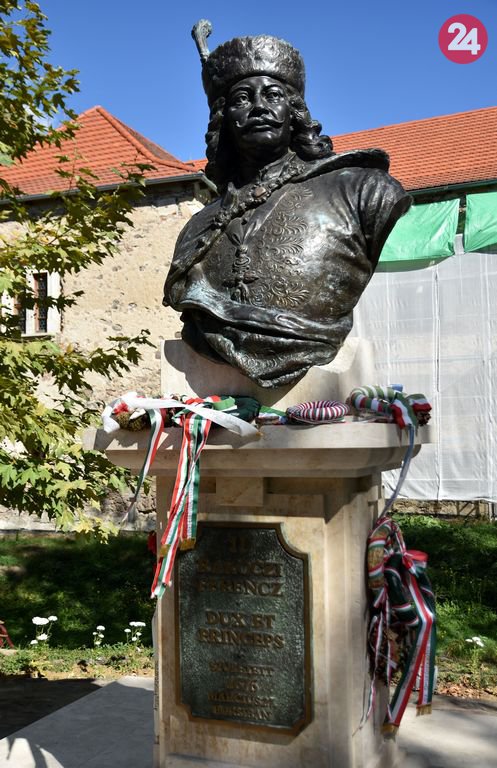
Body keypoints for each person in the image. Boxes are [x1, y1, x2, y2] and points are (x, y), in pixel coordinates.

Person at [164, 21, 411, 388]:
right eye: (241, 98)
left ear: (295, 111)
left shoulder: (364, 190)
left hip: (318, 364)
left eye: (273, 95)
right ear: (223, 120)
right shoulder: (198, 226)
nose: (258, 107)